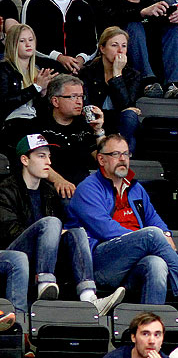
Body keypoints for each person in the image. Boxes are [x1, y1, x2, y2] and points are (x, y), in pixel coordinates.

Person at [0, 133, 125, 314]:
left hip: (48, 256)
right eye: (41, 156)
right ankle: (45, 282)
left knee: (77, 232)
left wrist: (59, 234)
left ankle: (89, 297)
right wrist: (48, 233)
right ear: (25, 160)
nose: (49, 162)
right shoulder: (6, 190)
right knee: (51, 223)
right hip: (16, 253)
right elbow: (9, 232)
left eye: (49, 156)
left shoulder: (50, 192)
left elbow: (61, 229)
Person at [67, 133, 178, 304]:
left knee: (157, 264)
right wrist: (145, 240)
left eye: (126, 154)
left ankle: (149, 323)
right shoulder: (88, 189)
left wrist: (165, 233)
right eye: (115, 154)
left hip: (134, 256)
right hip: (101, 262)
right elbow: (106, 230)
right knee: (152, 235)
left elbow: (153, 217)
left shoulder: (135, 188)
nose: (122, 159)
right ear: (101, 159)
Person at [22, 0, 97, 73]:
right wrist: (58, 57)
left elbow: (92, 43)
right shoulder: (33, 4)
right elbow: (27, 41)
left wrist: (81, 58)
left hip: (79, 70)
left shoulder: (84, 6)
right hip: (43, 70)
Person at [34, 74, 105, 191]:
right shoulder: (39, 125)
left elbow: (104, 160)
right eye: (73, 96)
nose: (79, 102)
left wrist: (98, 131)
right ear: (55, 101)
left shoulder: (85, 125)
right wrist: (59, 181)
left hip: (83, 187)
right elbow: (37, 160)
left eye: (81, 97)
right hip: (51, 187)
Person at [78, 26, 141, 151]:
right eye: (114, 45)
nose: (120, 51)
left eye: (124, 46)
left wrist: (117, 74)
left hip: (120, 127)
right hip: (95, 122)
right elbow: (87, 106)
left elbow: (125, 107)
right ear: (102, 49)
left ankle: (117, 150)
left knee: (130, 116)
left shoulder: (132, 75)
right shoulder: (88, 72)